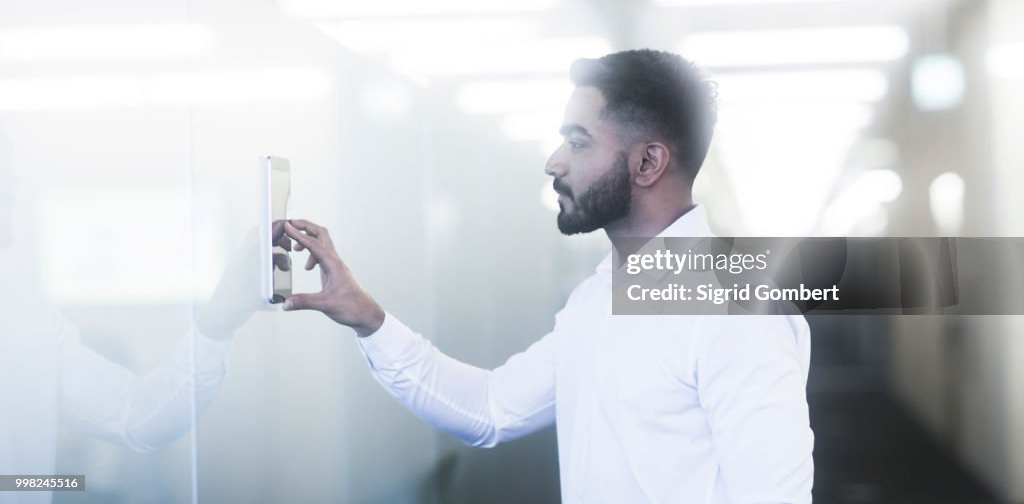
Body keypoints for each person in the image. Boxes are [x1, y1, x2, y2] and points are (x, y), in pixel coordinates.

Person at [282, 49, 814, 503]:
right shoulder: (597, 298)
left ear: (648, 163)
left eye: (579, 143)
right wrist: (367, 318)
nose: (554, 162)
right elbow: (490, 409)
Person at [0, 127, 259, 504]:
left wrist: (219, 319)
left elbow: (136, 418)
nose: (12, 185)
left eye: (8, 172)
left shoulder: (23, 322)